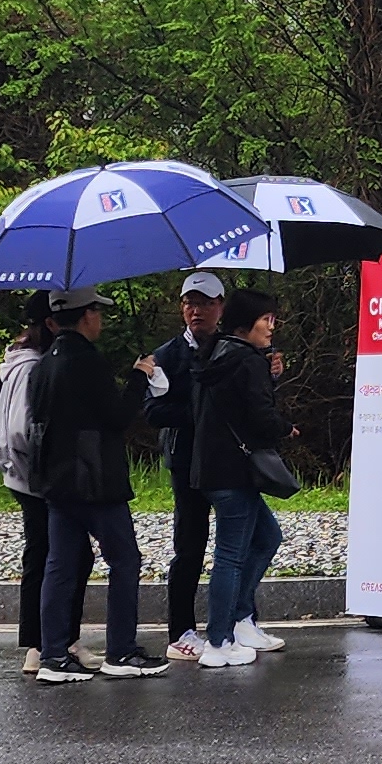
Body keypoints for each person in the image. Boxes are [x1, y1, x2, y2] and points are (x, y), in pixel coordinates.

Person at [29, 291, 165, 682]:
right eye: (97, 311)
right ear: (87, 315)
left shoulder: (43, 365)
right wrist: (139, 376)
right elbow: (117, 416)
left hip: (54, 479)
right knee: (125, 560)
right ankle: (121, 650)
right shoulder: (88, 361)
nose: (100, 319)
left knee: (60, 565)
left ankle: (53, 655)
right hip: (95, 478)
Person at [186, 286, 291, 666]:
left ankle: (239, 618)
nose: (271, 327)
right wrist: (285, 427)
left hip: (209, 467)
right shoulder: (248, 362)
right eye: (266, 319)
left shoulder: (213, 353)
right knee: (230, 556)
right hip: (236, 471)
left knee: (267, 537)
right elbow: (260, 418)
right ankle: (219, 641)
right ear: (246, 324)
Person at [149, 273, 224, 650]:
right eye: (190, 303)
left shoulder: (232, 348)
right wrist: (200, 410)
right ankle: (180, 631)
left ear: (220, 307)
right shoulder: (166, 355)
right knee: (190, 545)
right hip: (186, 460)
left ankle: (238, 621)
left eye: (205, 303)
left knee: (238, 543)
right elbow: (153, 411)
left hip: (228, 459)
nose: (197, 311)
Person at [0, 293, 57, 667]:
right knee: (51, 554)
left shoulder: (20, 362)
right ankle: (41, 644)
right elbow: (19, 430)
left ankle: (44, 641)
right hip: (33, 478)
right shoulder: (32, 367)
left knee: (42, 552)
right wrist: (38, 470)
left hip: (21, 476)